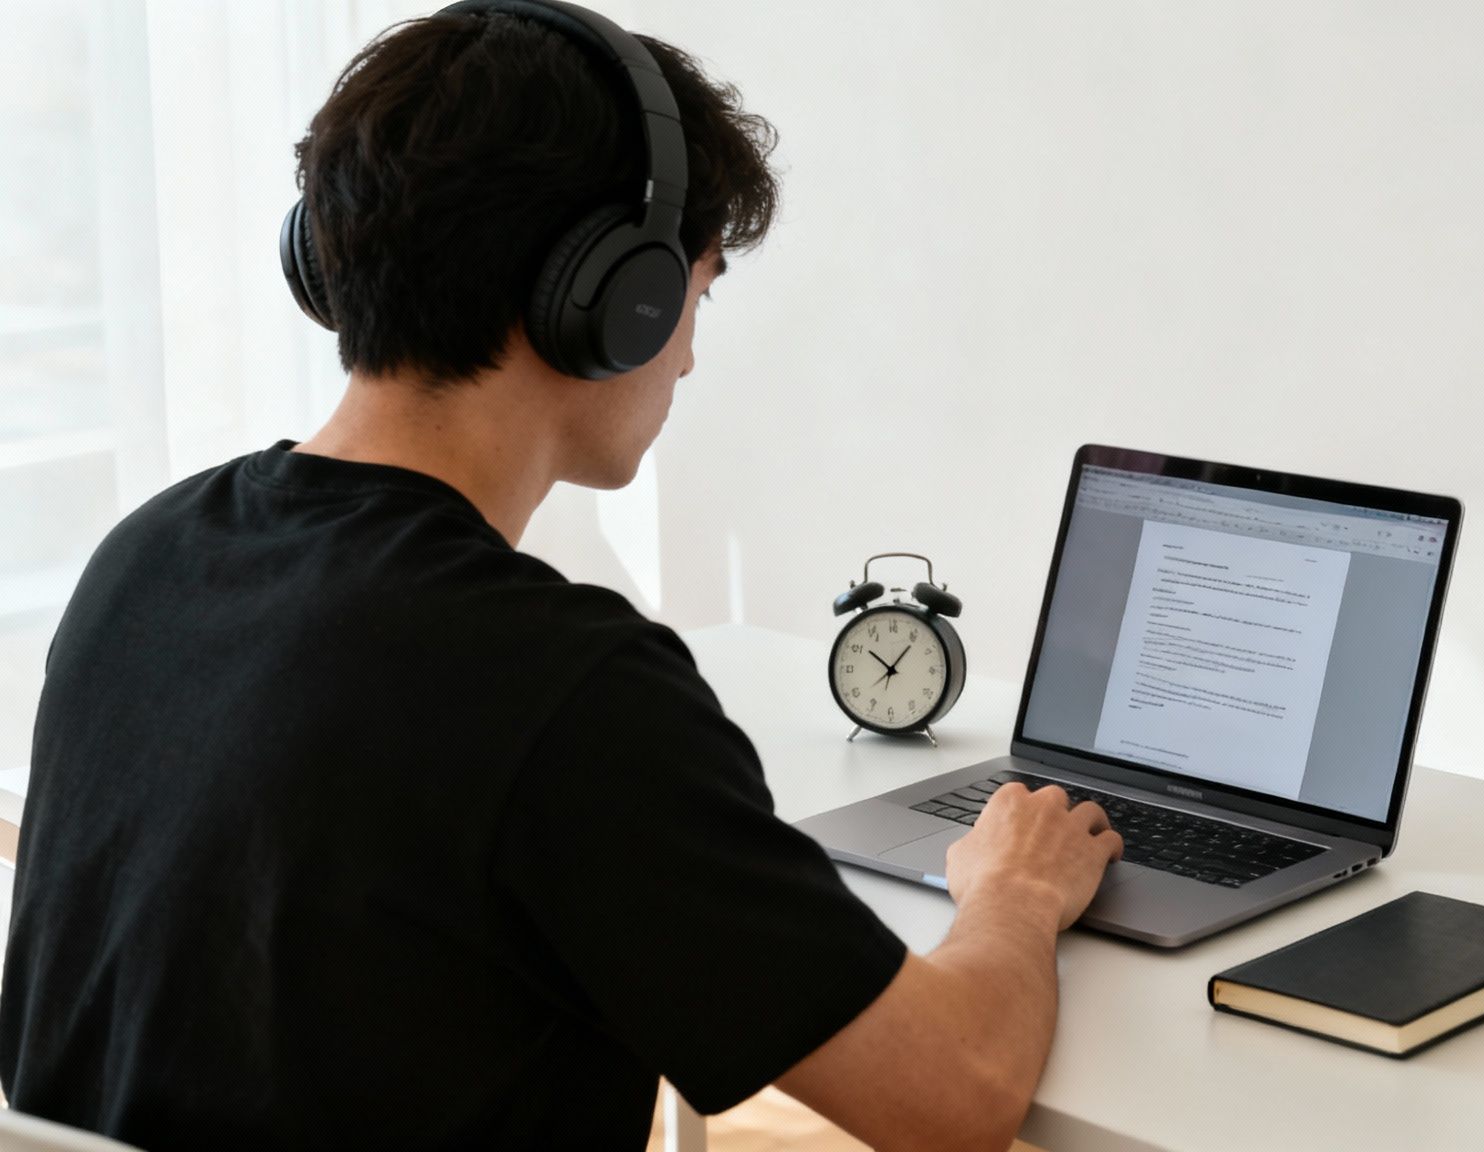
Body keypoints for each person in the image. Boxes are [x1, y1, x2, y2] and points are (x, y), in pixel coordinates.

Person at [0, 5, 1121, 1151]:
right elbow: (953, 1096)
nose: (686, 350)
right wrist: (1013, 894)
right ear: (611, 298)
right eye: (696, 292)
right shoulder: (558, 685)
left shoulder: (147, 551)